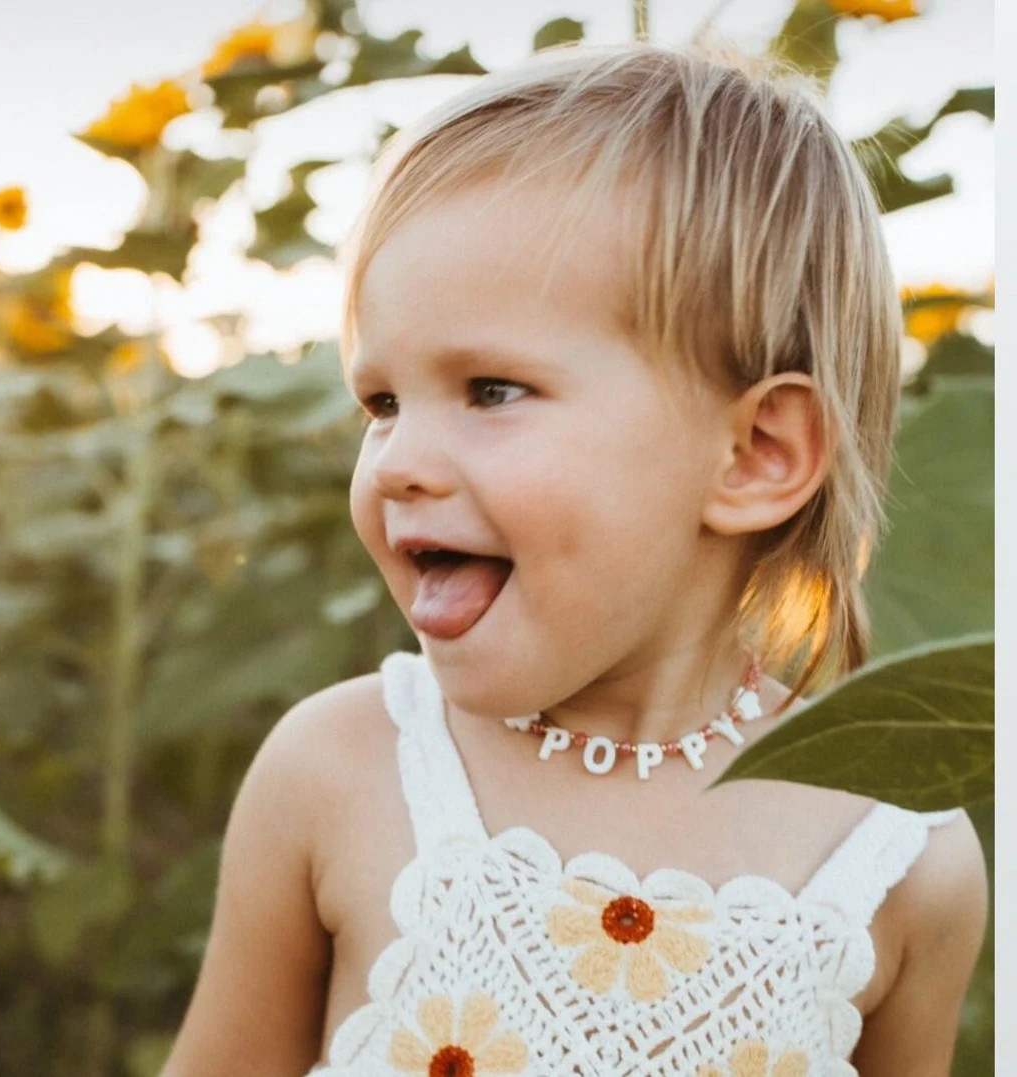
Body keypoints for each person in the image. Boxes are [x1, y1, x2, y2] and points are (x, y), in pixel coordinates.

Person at [163, 39, 988, 1077]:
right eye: (381, 401)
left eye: (493, 391)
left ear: (755, 455)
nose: (399, 461)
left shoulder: (899, 856)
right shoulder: (342, 771)